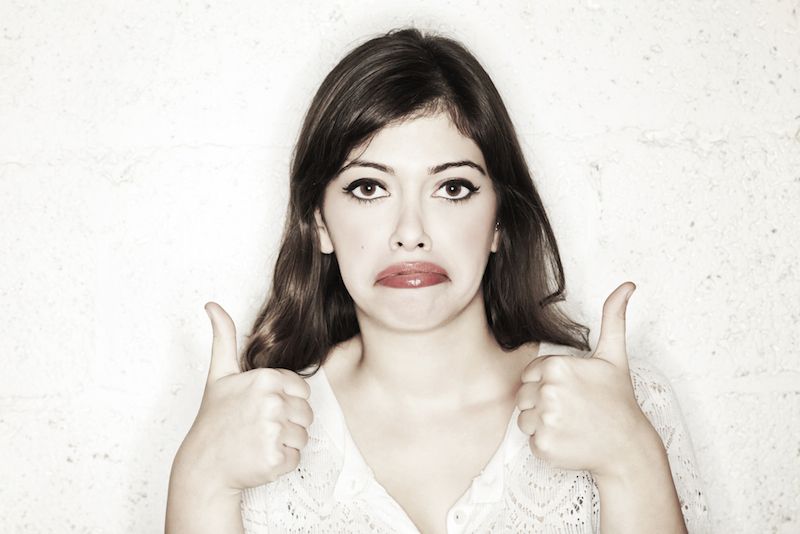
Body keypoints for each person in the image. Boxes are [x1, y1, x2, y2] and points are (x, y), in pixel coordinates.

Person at [165, 28, 708, 533]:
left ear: (499, 219)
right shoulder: (244, 428)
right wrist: (202, 481)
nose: (410, 233)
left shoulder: (628, 406)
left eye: (451, 189)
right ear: (319, 223)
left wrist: (631, 460)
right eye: (368, 189)